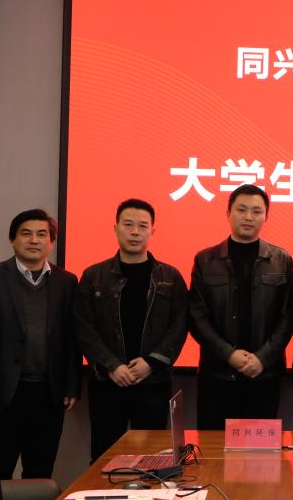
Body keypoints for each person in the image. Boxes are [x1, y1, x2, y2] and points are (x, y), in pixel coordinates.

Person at [0, 208, 80, 479]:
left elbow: (72, 338)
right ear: (12, 239)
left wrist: (71, 385)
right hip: (2, 394)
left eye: (42, 234)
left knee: (40, 472)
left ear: (51, 242)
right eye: (26, 233)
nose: (34, 240)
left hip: (49, 394)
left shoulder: (66, 282)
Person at [73, 198, 188, 461]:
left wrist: (151, 363)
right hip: (107, 383)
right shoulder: (93, 276)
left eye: (142, 226)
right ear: (116, 229)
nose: (135, 232)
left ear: (152, 231)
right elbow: (83, 327)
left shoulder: (170, 277)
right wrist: (112, 365)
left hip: (153, 382)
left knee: (152, 459)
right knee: (104, 458)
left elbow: (179, 325)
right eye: (128, 225)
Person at [188, 184, 293, 429]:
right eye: (242, 210)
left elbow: (288, 316)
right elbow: (196, 315)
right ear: (228, 213)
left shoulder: (282, 260)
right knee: (214, 448)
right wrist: (228, 354)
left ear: (266, 217)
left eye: (256, 211)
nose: (249, 217)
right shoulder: (205, 260)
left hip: (264, 374)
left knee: (259, 451)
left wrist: (263, 358)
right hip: (217, 373)